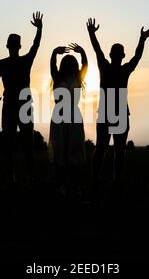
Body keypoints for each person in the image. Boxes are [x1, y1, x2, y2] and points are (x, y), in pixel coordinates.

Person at [87, 18, 149, 185]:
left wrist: (91, 34)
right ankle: (113, 180)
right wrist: (142, 39)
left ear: (111, 55)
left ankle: (98, 179)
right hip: (116, 114)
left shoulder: (106, 66)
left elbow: (98, 51)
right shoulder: (123, 69)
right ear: (121, 55)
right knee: (116, 150)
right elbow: (137, 57)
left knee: (104, 148)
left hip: (109, 113)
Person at [0, 12, 43, 183]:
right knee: (25, 143)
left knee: (12, 143)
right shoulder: (23, 61)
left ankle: (13, 176)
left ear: (8, 46)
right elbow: (35, 46)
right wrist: (39, 29)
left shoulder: (2, 63)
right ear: (19, 46)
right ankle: (27, 176)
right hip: (21, 105)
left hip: (13, 105)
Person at [48, 44, 88, 195]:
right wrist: (53, 53)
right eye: (69, 63)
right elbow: (52, 66)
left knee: (74, 149)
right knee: (60, 150)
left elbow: (85, 65)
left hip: (73, 117)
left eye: (73, 63)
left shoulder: (78, 78)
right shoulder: (57, 78)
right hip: (60, 117)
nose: (71, 65)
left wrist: (83, 52)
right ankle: (62, 184)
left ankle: (74, 184)